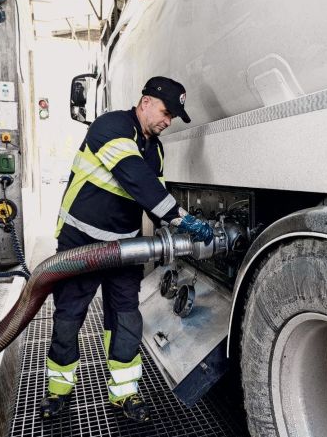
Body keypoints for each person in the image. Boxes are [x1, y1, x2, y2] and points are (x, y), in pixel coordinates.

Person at [41, 76, 214, 421]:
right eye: (166, 113)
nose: (168, 121)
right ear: (146, 102)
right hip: (81, 242)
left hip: (124, 247)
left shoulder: (156, 149)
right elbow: (137, 179)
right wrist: (183, 219)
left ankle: (124, 393)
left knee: (126, 318)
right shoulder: (112, 127)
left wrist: (174, 231)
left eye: (172, 117)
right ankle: (58, 391)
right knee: (69, 317)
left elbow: (154, 199)